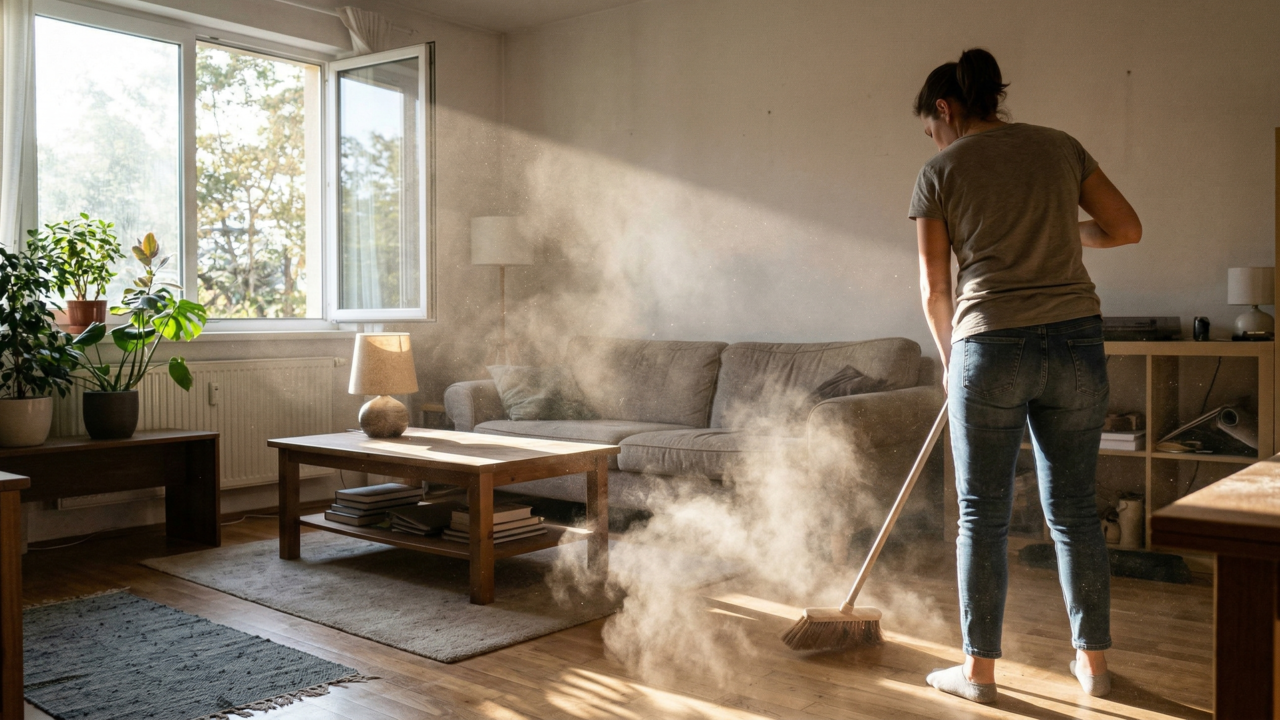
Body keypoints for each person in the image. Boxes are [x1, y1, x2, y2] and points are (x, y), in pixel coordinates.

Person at [909, 48, 1142, 704]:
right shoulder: (1060, 147)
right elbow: (1126, 228)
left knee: (980, 515)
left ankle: (978, 675)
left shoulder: (938, 172)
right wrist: (1061, 232)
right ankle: (1093, 665)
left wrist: (955, 366)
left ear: (946, 110)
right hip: (1076, 342)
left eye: (931, 126)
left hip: (991, 344)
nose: (933, 137)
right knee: (1072, 509)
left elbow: (935, 290)